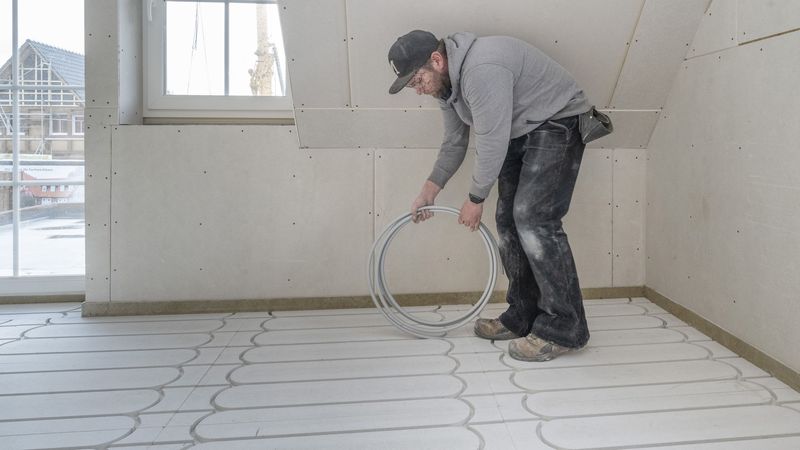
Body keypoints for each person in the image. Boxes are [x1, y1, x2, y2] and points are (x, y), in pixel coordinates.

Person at [387, 30, 594, 361]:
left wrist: (475, 197)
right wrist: (429, 190)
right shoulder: (447, 89)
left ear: (437, 61)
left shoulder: (481, 68)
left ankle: (565, 327)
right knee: (508, 221)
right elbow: (455, 141)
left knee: (533, 218)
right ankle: (522, 315)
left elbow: (492, 139)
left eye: (417, 80)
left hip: (557, 121)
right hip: (522, 128)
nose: (418, 89)